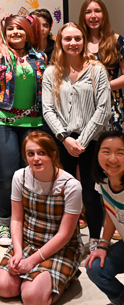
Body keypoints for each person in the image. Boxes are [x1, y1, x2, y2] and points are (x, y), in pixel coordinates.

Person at [43, 22, 111, 252]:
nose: (73, 43)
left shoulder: (97, 70)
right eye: (68, 39)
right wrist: (64, 138)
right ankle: (72, 238)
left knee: (91, 194)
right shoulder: (51, 72)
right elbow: (47, 109)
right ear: (60, 42)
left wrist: (82, 140)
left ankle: (95, 239)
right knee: (66, 194)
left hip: (90, 142)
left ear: (84, 41)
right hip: (63, 142)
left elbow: (103, 108)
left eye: (77, 38)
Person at [0, 131, 82, 305]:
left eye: (42, 153)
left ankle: (65, 279)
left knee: (32, 298)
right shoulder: (20, 176)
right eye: (30, 154)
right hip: (28, 242)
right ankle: (37, 281)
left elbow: (65, 235)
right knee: (3, 287)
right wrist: (19, 253)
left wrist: (32, 261)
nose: (36, 158)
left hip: (61, 248)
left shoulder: (71, 186)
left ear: (53, 154)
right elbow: (17, 219)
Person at [0, 15, 45, 246]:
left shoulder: (40, 58)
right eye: (10, 29)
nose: (15, 33)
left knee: (30, 175)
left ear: (28, 32)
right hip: (2, 121)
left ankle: (26, 221)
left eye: (20, 29)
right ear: (5, 33)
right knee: (8, 175)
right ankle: (4, 223)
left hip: (32, 122)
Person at [86, 131, 124, 305]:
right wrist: (103, 244)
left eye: (121, 153)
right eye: (106, 151)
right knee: (95, 268)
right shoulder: (102, 180)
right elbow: (111, 211)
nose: (113, 159)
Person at [79, 0, 124, 132]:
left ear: (104, 14)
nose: (93, 16)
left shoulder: (117, 41)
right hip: (84, 104)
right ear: (83, 16)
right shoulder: (77, 42)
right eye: (88, 12)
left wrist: (102, 87)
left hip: (112, 104)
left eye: (97, 11)